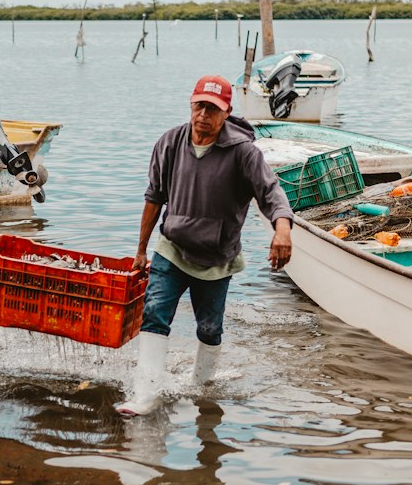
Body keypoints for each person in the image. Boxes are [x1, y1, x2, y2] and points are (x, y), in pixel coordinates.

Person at [117, 74, 293, 415]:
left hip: (217, 256)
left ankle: (202, 386)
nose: (204, 116)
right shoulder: (170, 142)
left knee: (209, 328)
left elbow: (272, 193)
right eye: (199, 106)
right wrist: (140, 250)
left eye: (213, 109)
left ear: (226, 113)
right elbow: (153, 198)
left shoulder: (244, 153)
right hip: (171, 246)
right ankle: (145, 396)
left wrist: (282, 231)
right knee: (153, 314)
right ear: (191, 105)